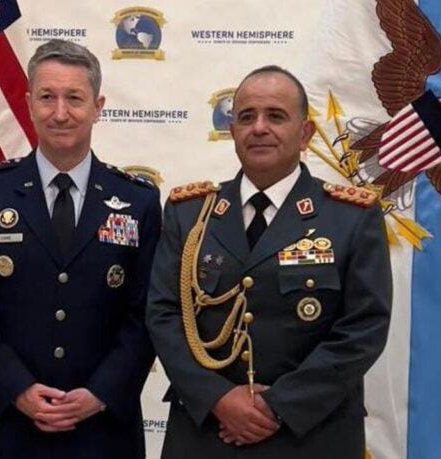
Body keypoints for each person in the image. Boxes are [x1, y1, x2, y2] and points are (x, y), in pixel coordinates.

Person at [147, 65, 392, 458]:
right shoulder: (190, 213)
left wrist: (279, 406)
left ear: (305, 133)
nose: (259, 128)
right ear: (232, 131)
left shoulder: (350, 217)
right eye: (247, 117)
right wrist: (219, 398)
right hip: (206, 432)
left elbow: (364, 327)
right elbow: (163, 314)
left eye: (276, 116)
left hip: (310, 434)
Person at [0, 39, 161, 458]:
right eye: (47, 97)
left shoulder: (139, 201)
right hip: (0, 426)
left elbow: (147, 312)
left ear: (98, 107)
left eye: (74, 98)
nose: (60, 113)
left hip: (100, 432)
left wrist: (101, 392)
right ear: (28, 104)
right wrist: (16, 387)